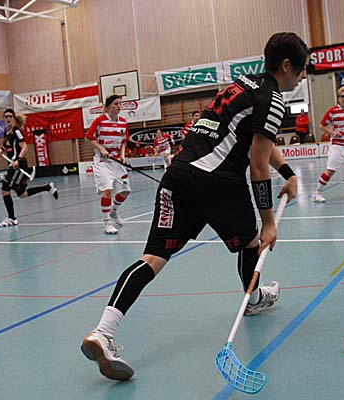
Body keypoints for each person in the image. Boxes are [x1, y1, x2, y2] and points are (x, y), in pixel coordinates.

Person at [80, 32, 309, 381]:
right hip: (218, 183)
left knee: (152, 259)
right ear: (287, 65)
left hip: (177, 177)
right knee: (251, 241)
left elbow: (256, 141)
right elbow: (258, 164)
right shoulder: (273, 98)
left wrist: (288, 172)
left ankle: (102, 332)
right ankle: (252, 300)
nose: (303, 76)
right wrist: (268, 222)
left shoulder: (241, 85)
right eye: (303, 69)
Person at [0, 108, 58, 227]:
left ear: (14, 118)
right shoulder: (6, 133)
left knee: (5, 189)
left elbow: (25, 147)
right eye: (6, 116)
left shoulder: (17, 131)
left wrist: (18, 160)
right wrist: (1, 149)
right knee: (22, 194)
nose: (8, 118)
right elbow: (8, 146)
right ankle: (47, 187)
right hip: (12, 165)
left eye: (10, 116)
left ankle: (12, 218)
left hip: (19, 166)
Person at [85, 94, 131, 235]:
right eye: (116, 104)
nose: (119, 106)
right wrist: (101, 149)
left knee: (126, 191)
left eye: (120, 104)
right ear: (108, 106)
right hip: (102, 161)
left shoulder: (123, 122)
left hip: (116, 161)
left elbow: (124, 141)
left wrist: (122, 155)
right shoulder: (100, 120)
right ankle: (107, 223)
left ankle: (114, 211)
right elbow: (88, 137)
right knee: (108, 190)